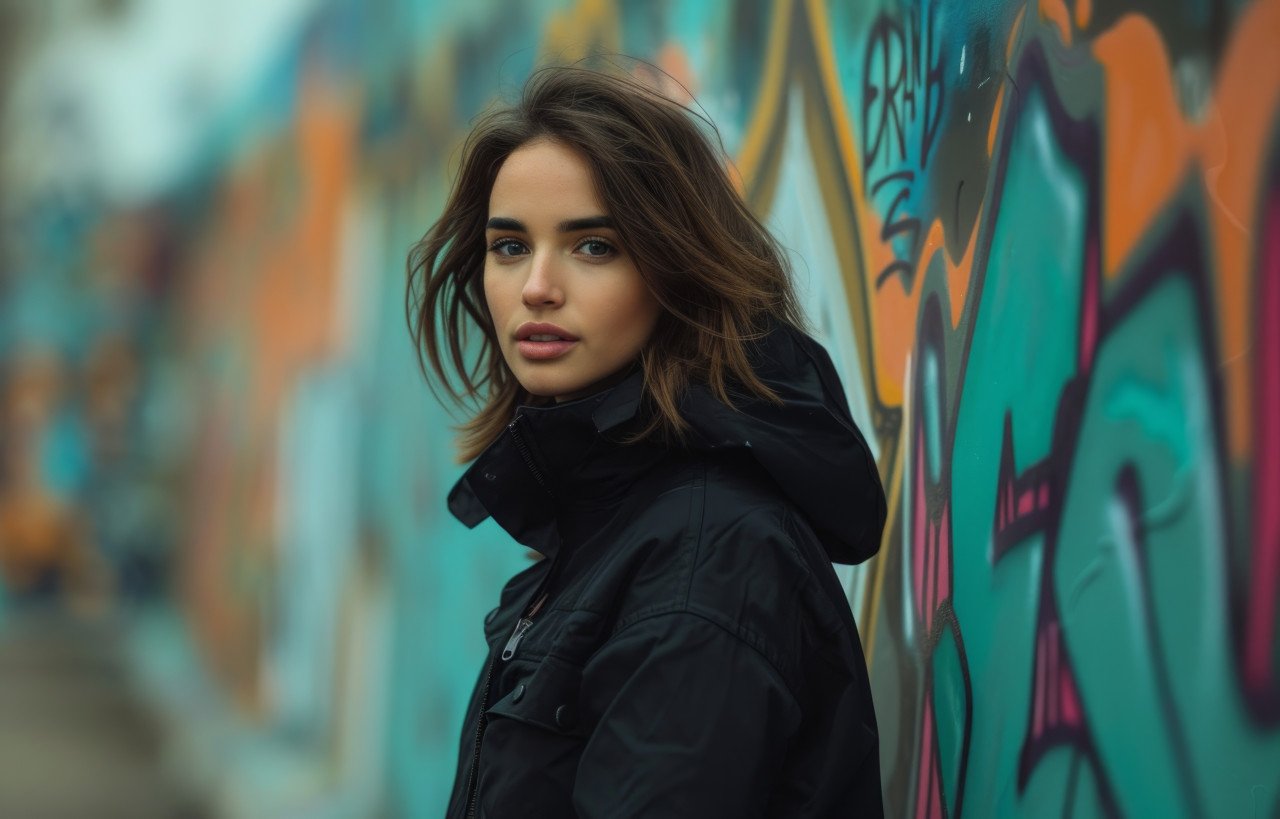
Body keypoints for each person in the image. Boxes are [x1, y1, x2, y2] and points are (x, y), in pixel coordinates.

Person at [406, 62, 887, 818]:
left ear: (678, 271)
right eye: (509, 247)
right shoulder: (616, 522)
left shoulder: (708, 558)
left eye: (593, 246)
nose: (537, 285)